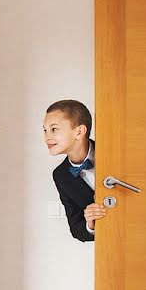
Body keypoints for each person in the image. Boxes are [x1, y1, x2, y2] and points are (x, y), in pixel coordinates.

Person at [44, 99, 105, 242]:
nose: (46, 137)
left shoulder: (113, 152)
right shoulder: (61, 175)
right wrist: (90, 223)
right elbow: (76, 229)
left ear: (79, 132)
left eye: (54, 129)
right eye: (45, 130)